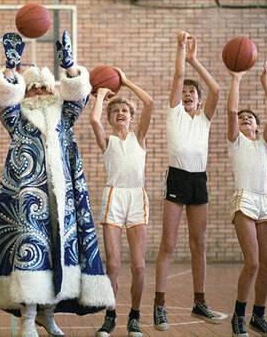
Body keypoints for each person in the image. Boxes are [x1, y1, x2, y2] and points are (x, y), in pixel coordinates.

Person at [0, 31, 114, 337]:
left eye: (45, 86)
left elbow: (78, 96)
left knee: (60, 253)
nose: (40, 91)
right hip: (28, 198)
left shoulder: (64, 116)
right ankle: (29, 318)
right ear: (25, 93)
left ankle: (48, 315)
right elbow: (5, 103)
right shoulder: (17, 117)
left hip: (63, 199)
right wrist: (10, 70)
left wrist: (70, 66)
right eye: (34, 88)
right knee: (32, 249)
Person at [153, 31, 227, 330]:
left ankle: (200, 302)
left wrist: (196, 61)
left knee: (199, 243)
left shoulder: (205, 119)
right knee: (168, 244)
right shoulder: (175, 114)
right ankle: (159, 305)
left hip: (199, 180)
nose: (186, 94)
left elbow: (217, 89)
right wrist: (182, 50)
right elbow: (177, 75)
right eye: (183, 92)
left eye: (191, 94)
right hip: (177, 177)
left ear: (198, 101)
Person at [89, 71, 154, 337]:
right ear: (111, 117)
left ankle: (135, 316)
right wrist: (102, 94)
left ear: (131, 115)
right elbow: (94, 118)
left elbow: (149, 103)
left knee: (139, 265)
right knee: (113, 264)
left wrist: (125, 82)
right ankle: (110, 315)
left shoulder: (140, 137)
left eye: (125, 110)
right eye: (115, 111)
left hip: (136, 197)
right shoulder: (108, 140)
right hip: (113, 197)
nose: (121, 113)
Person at [226, 62, 267, 337]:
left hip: (264, 203)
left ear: (258, 128)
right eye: (242, 118)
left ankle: (258, 316)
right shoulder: (236, 142)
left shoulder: (263, 145)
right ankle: (238, 314)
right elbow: (232, 110)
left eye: (250, 119)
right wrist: (236, 78)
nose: (245, 119)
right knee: (253, 262)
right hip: (244, 201)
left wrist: (265, 82)